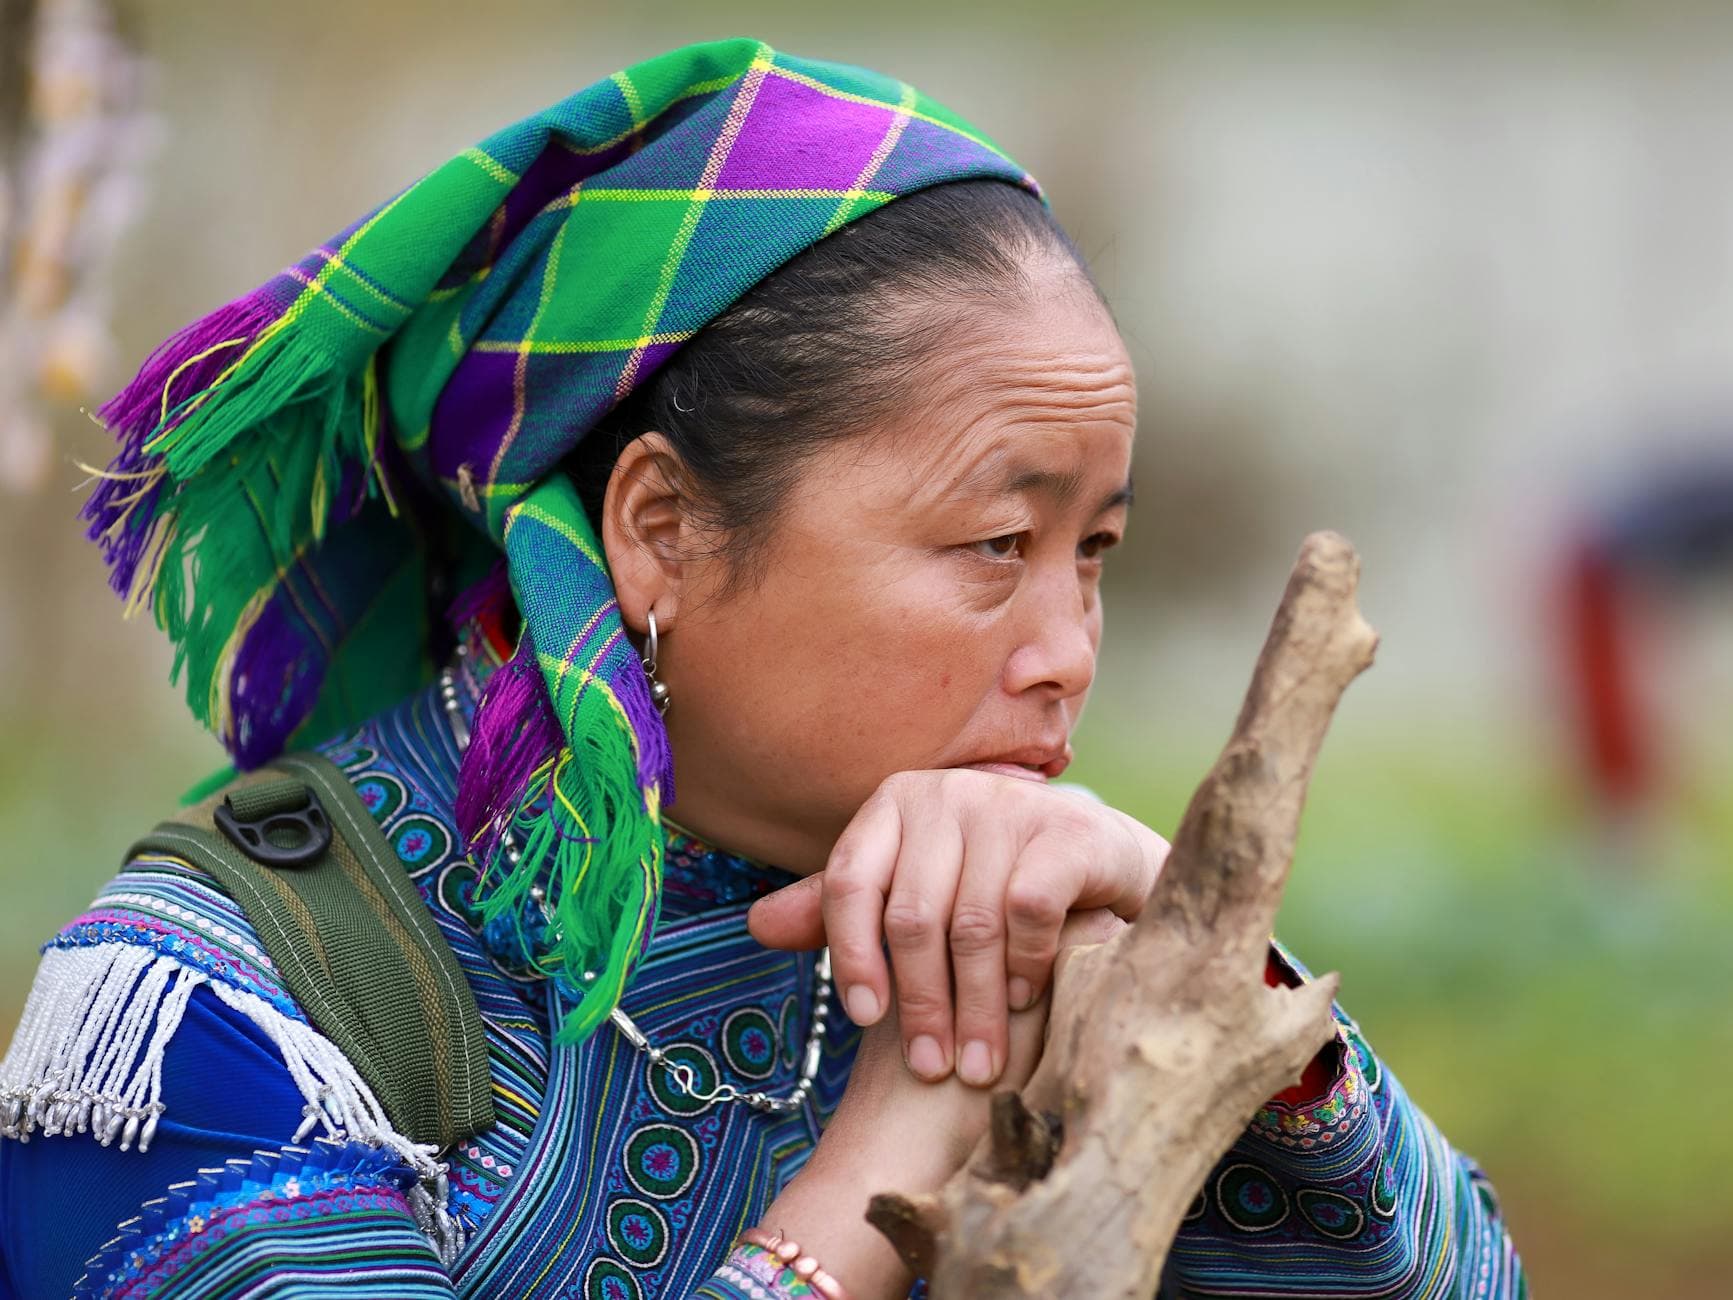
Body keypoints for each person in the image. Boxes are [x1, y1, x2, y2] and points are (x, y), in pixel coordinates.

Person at [0, 39, 1523, 1300]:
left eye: (1095, 552)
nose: (1065, 655)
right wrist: (880, 1165)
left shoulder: (1048, 934)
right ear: (659, 528)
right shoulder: (218, 1002)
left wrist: (1192, 950)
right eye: (997, 543)